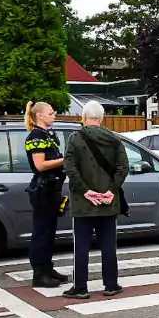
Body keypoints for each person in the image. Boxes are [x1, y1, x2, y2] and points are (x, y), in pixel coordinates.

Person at [61, 101, 128, 299]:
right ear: (101, 118)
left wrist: (86, 191)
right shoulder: (114, 139)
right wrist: (110, 190)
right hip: (109, 202)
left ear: (83, 117)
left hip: (83, 203)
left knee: (81, 245)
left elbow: (70, 168)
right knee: (108, 245)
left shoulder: (75, 138)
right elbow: (123, 167)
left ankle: (80, 287)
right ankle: (111, 284)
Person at [24, 101, 67, 288]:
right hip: (43, 188)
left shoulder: (46, 135)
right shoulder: (36, 137)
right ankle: (39, 273)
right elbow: (40, 165)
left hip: (52, 187)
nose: (54, 115)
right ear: (39, 116)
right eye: (50, 113)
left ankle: (48, 268)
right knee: (41, 231)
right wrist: (64, 160)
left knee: (49, 231)